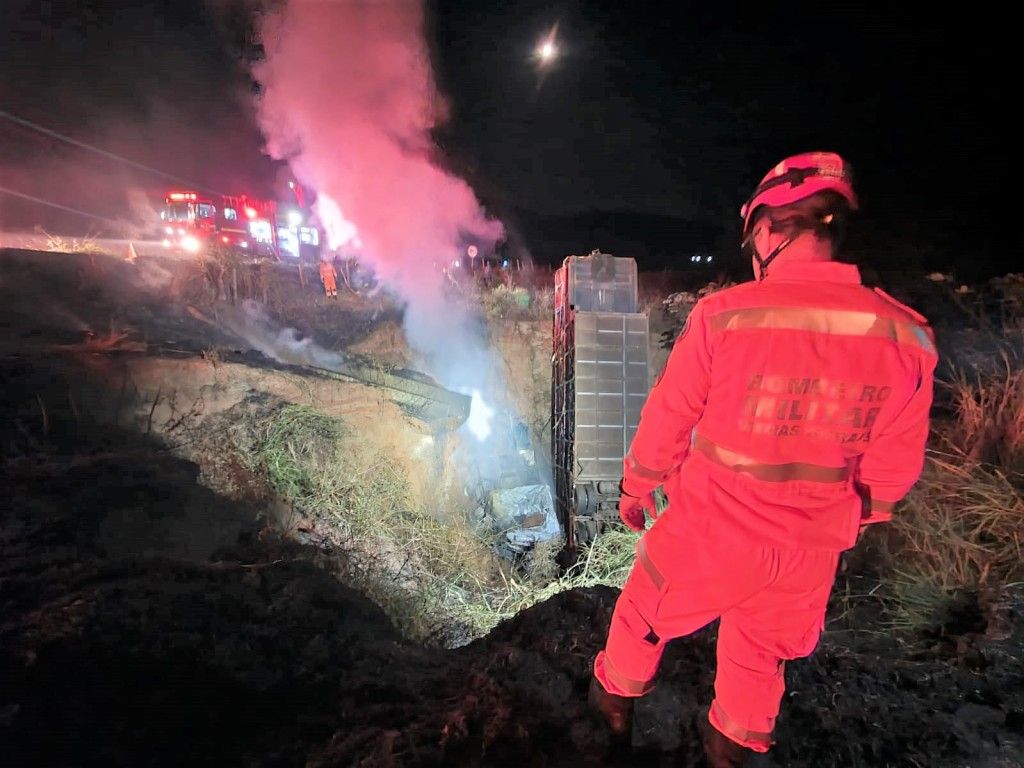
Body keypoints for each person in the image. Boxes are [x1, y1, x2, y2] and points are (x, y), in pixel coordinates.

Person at [587, 152, 938, 766]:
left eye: (755, 236)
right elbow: (891, 473)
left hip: (712, 533)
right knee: (758, 659)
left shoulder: (727, 317)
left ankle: (611, 719)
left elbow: (669, 417)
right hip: (808, 552)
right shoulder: (907, 335)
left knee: (642, 615)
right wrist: (848, 520)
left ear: (773, 230)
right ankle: (729, 751)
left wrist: (635, 487)